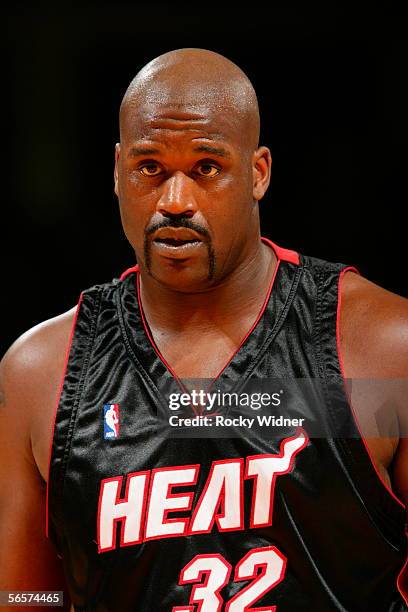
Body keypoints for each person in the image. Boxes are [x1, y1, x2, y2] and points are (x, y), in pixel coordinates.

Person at [0, 48, 407, 611]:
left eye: (206, 168)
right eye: (150, 169)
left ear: (259, 172)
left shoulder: (385, 350)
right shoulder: (37, 374)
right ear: (117, 172)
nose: (174, 201)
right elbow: (26, 597)